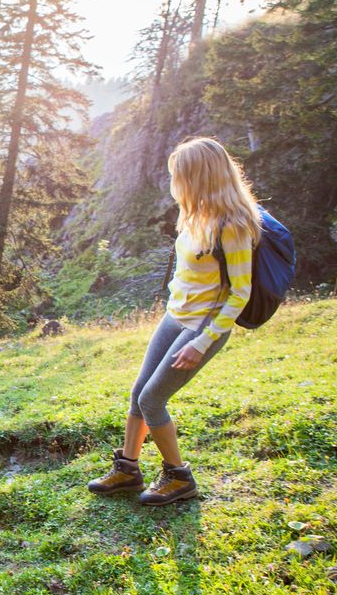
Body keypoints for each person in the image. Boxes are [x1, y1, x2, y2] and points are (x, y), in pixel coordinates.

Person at [88, 137, 260, 506]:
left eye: (178, 175)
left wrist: (202, 341)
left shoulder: (233, 225)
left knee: (153, 399)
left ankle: (179, 477)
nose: (173, 183)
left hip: (203, 328)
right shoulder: (195, 214)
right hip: (175, 318)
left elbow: (240, 293)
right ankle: (128, 469)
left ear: (198, 176)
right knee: (138, 392)